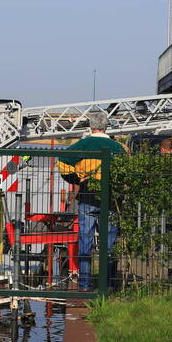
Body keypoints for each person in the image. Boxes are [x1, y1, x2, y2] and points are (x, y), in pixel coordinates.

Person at [56, 112, 126, 291]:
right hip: (110, 198)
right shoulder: (118, 148)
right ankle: (107, 285)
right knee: (109, 245)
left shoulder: (83, 145)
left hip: (87, 197)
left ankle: (85, 284)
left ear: (90, 126)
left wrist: (75, 179)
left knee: (85, 243)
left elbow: (62, 162)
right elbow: (127, 172)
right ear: (107, 126)